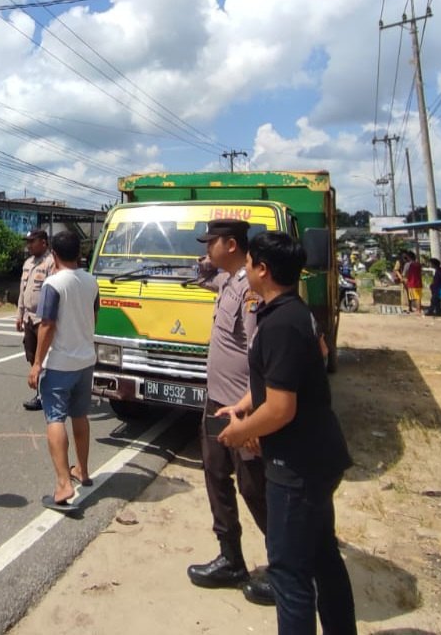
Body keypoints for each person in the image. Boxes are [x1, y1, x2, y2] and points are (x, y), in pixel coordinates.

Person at [219, 231, 356, 634]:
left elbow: (281, 408)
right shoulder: (298, 312)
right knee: (322, 558)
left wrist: (239, 431)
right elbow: (285, 375)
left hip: (296, 465)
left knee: (290, 573)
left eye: (249, 264)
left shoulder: (280, 323)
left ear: (263, 269)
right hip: (318, 456)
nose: (245, 270)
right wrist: (246, 403)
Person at [186, 219, 274, 605]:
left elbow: (260, 355)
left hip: (242, 406)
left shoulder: (249, 291)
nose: (207, 249)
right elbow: (201, 274)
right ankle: (231, 558)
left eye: (212, 243)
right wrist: (207, 260)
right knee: (216, 474)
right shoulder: (229, 280)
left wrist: (252, 413)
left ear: (233, 245)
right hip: (216, 401)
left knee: (255, 486)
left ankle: (286, 566)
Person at [27, 230, 99, 514]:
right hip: (85, 360)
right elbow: (94, 317)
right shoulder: (91, 281)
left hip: (59, 363)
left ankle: (62, 484)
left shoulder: (53, 284)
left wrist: (36, 363)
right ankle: (82, 469)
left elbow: (47, 325)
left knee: (55, 418)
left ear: (53, 254)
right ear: (79, 252)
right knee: (80, 415)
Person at [16, 228, 57, 411]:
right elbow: (23, 291)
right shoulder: (28, 263)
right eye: (28, 242)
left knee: (45, 358)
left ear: (43, 242)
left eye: (33, 241)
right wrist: (19, 315)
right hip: (29, 318)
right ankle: (41, 392)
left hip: (43, 320)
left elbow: (54, 293)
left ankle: (45, 395)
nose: (29, 245)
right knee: (32, 356)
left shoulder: (51, 264)